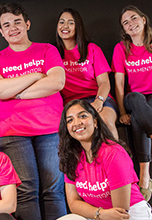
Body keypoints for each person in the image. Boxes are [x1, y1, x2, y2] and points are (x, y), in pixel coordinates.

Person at [0, 3, 76, 220]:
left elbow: (57, 82)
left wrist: (15, 91)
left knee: (53, 191)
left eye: (17, 22)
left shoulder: (47, 50)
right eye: (6, 25)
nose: (13, 28)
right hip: (12, 132)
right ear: (1, 31)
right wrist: (36, 76)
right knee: (25, 193)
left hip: (50, 128)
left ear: (27, 23)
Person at [112, 5, 152, 201]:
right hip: (135, 98)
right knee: (135, 99)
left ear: (143, 19)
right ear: (123, 30)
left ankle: (144, 176)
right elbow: (119, 82)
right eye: (126, 23)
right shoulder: (121, 48)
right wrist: (122, 111)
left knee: (139, 118)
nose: (131, 24)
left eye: (133, 19)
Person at [55, 8, 118, 139]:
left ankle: (118, 158)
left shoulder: (92, 49)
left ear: (78, 27)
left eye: (71, 23)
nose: (65, 26)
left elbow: (104, 83)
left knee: (105, 122)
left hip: (97, 97)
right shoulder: (52, 52)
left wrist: (99, 101)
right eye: (62, 22)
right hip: (71, 103)